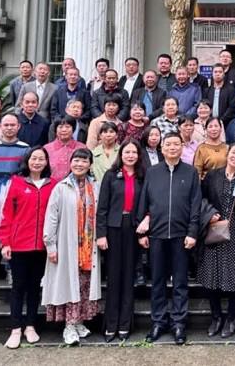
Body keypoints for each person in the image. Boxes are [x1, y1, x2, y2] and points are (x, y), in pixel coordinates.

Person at [137, 132, 201, 345]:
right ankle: (158, 321)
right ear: (161, 148)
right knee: (157, 281)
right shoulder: (152, 172)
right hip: (156, 234)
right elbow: (144, 202)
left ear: (182, 148)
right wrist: (143, 232)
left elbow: (195, 205)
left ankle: (179, 323)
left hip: (182, 236)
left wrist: (192, 232)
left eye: (176, 144)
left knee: (180, 282)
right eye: (168, 144)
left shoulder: (191, 172)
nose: (172, 148)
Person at [0, 147, 56, 349]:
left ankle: (30, 325)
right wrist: (5, 241)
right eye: (34, 158)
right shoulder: (16, 183)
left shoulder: (53, 185)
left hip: (42, 246)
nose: (37, 162)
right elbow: (6, 214)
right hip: (19, 245)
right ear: (27, 161)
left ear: (47, 162)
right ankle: (15, 328)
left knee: (34, 288)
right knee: (18, 287)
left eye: (41, 159)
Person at [42, 149, 101, 345]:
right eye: (76, 160)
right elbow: (52, 216)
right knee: (69, 284)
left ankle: (79, 322)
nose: (79, 164)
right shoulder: (61, 187)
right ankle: (69, 326)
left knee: (84, 284)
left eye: (84, 161)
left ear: (90, 165)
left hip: (88, 246)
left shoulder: (96, 186)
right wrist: (50, 244)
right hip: (66, 244)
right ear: (70, 163)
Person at [96, 139, 144, 342]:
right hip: (113, 229)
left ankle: (125, 324)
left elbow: (147, 203)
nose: (130, 155)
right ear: (121, 154)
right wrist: (101, 234)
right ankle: (111, 324)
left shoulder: (143, 177)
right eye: (127, 152)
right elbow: (102, 208)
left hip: (134, 228)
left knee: (128, 277)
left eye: (134, 152)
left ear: (138, 155)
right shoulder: (110, 175)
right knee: (114, 277)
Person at [198, 144, 235, 339]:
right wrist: (210, 214)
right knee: (212, 275)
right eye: (234, 152)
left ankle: (232, 318)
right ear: (227, 154)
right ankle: (216, 317)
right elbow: (201, 198)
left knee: (234, 275)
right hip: (215, 228)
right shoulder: (213, 175)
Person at [0, 114, 30, 227]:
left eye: (12, 125)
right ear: (0, 126)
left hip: (18, 194)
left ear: (18, 126)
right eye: (6, 125)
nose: (9, 128)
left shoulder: (26, 149)